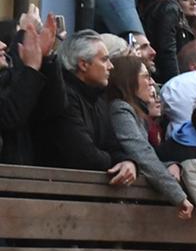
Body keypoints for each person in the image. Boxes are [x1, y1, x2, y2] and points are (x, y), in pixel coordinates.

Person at [39, 30, 137, 187]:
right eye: (104, 60)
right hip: (58, 190)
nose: (111, 66)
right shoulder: (63, 97)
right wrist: (112, 161)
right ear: (83, 64)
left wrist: (127, 162)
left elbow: (113, 144)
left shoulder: (98, 98)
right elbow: (83, 155)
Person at [106, 54, 192, 219]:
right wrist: (179, 196)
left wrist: (171, 165)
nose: (152, 83)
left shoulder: (138, 113)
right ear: (129, 81)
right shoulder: (120, 109)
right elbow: (141, 153)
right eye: (146, 77)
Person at [0, 11, 63, 166]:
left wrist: (46, 59)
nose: (3, 46)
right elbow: (9, 115)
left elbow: (55, 107)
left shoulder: (9, 76)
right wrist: (32, 68)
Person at [137, 0, 195, 84]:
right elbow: (167, 51)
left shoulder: (160, 3)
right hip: (167, 82)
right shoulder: (168, 8)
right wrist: (176, 84)